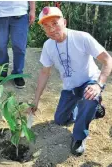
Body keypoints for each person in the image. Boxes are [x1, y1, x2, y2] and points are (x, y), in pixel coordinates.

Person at [29, 7, 112, 156]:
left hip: (90, 82)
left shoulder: (82, 37)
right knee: (60, 120)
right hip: (71, 88)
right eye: (46, 26)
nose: (51, 28)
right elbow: (44, 72)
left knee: (90, 97)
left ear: (65, 22)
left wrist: (99, 85)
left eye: (55, 23)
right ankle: (92, 109)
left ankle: (79, 137)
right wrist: (35, 101)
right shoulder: (48, 46)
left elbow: (108, 60)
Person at [0, 1, 35, 88]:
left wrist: (32, 9)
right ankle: (0, 73)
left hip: (20, 13)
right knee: (1, 46)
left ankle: (18, 74)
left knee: (19, 47)